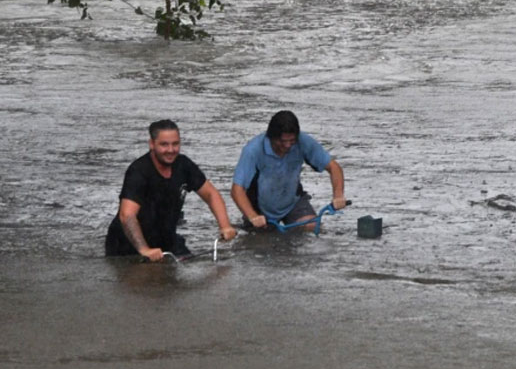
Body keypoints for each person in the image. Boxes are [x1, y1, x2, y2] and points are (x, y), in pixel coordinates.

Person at [105, 120, 238, 261]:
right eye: (164, 144)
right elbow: (127, 215)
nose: (171, 150)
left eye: (175, 144)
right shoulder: (138, 171)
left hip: (166, 240)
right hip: (128, 245)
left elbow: (211, 194)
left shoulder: (184, 165)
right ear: (152, 144)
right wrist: (144, 250)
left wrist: (225, 226)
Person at [231, 110, 346, 231]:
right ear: (271, 137)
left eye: (292, 141)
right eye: (282, 141)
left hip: (292, 202)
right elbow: (237, 190)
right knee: (261, 244)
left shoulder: (303, 141)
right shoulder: (253, 150)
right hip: (259, 209)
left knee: (312, 227)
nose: (287, 146)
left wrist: (338, 195)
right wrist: (252, 216)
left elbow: (334, 167)